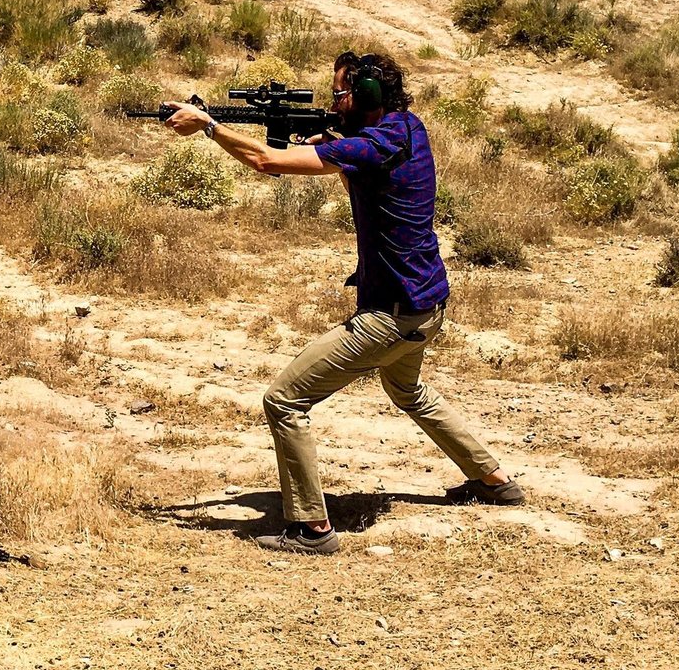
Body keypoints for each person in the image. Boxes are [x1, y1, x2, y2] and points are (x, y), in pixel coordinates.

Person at [163, 51, 522, 555]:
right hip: (426, 305)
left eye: (342, 94)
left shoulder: (375, 142)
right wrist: (337, 149)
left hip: (392, 314)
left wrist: (210, 127)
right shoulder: (407, 128)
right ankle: (494, 479)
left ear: (370, 95)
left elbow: (266, 161)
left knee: (284, 400)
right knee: (409, 392)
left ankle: (312, 529)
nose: (336, 101)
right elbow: (367, 176)